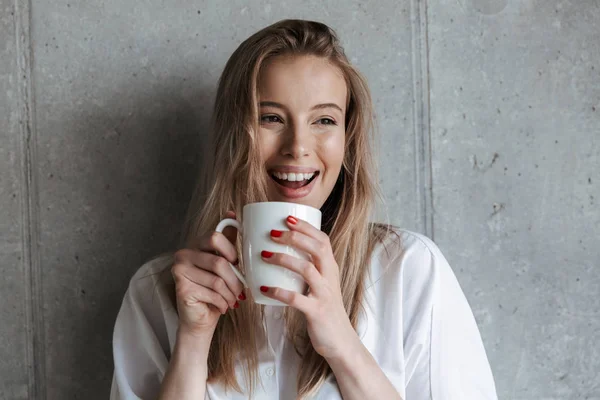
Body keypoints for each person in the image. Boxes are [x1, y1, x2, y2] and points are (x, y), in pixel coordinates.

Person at [110, 19, 498, 400]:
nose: (298, 146)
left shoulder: (409, 270)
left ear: (347, 141)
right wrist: (193, 344)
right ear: (234, 136)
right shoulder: (159, 291)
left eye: (324, 120)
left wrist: (343, 343)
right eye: (271, 118)